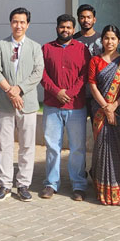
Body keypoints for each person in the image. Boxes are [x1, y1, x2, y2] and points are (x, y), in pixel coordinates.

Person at [0, 8, 45, 202]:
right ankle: (4, 184)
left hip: (27, 102)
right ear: (10, 23)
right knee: (5, 145)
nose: (18, 25)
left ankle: (23, 184)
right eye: (15, 21)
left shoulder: (35, 47)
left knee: (27, 145)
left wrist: (19, 89)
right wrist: (10, 91)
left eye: (22, 22)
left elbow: (38, 72)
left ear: (28, 24)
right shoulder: (1, 45)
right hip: (5, 103)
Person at [40, 14, 91, 201]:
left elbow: (85, 75)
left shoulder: (82, 49)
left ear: (73, 29)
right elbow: (41, 74)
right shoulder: (46, 48)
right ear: (57, 28)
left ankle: (78, 185)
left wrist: (69, 92)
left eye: (69, 27)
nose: (65, 30)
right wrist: (56, 92)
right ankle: (51, 183)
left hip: (76, 106)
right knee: (53, 147)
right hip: (52, 106)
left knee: (77, 147)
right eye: (62, 27)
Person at [87, 25, 120, 206]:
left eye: (113, 38)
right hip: (100, 111)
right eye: (106, 38)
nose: (109, 42)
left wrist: (114, 105)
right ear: (102, 40)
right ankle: (104, 191)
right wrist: (106, 107)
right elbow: (92, 86)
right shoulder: (95, 61)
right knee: (103, 149)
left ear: (119, 41)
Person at [74, 4, 103, 126]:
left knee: (99, 128)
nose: (86, 20)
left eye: (89, 17)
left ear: (94, 19)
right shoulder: (72, 40)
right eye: (82, 17)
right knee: (77, 129)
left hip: (98, 92)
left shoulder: (103, 39)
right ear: (78, 19)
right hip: (78, 93)